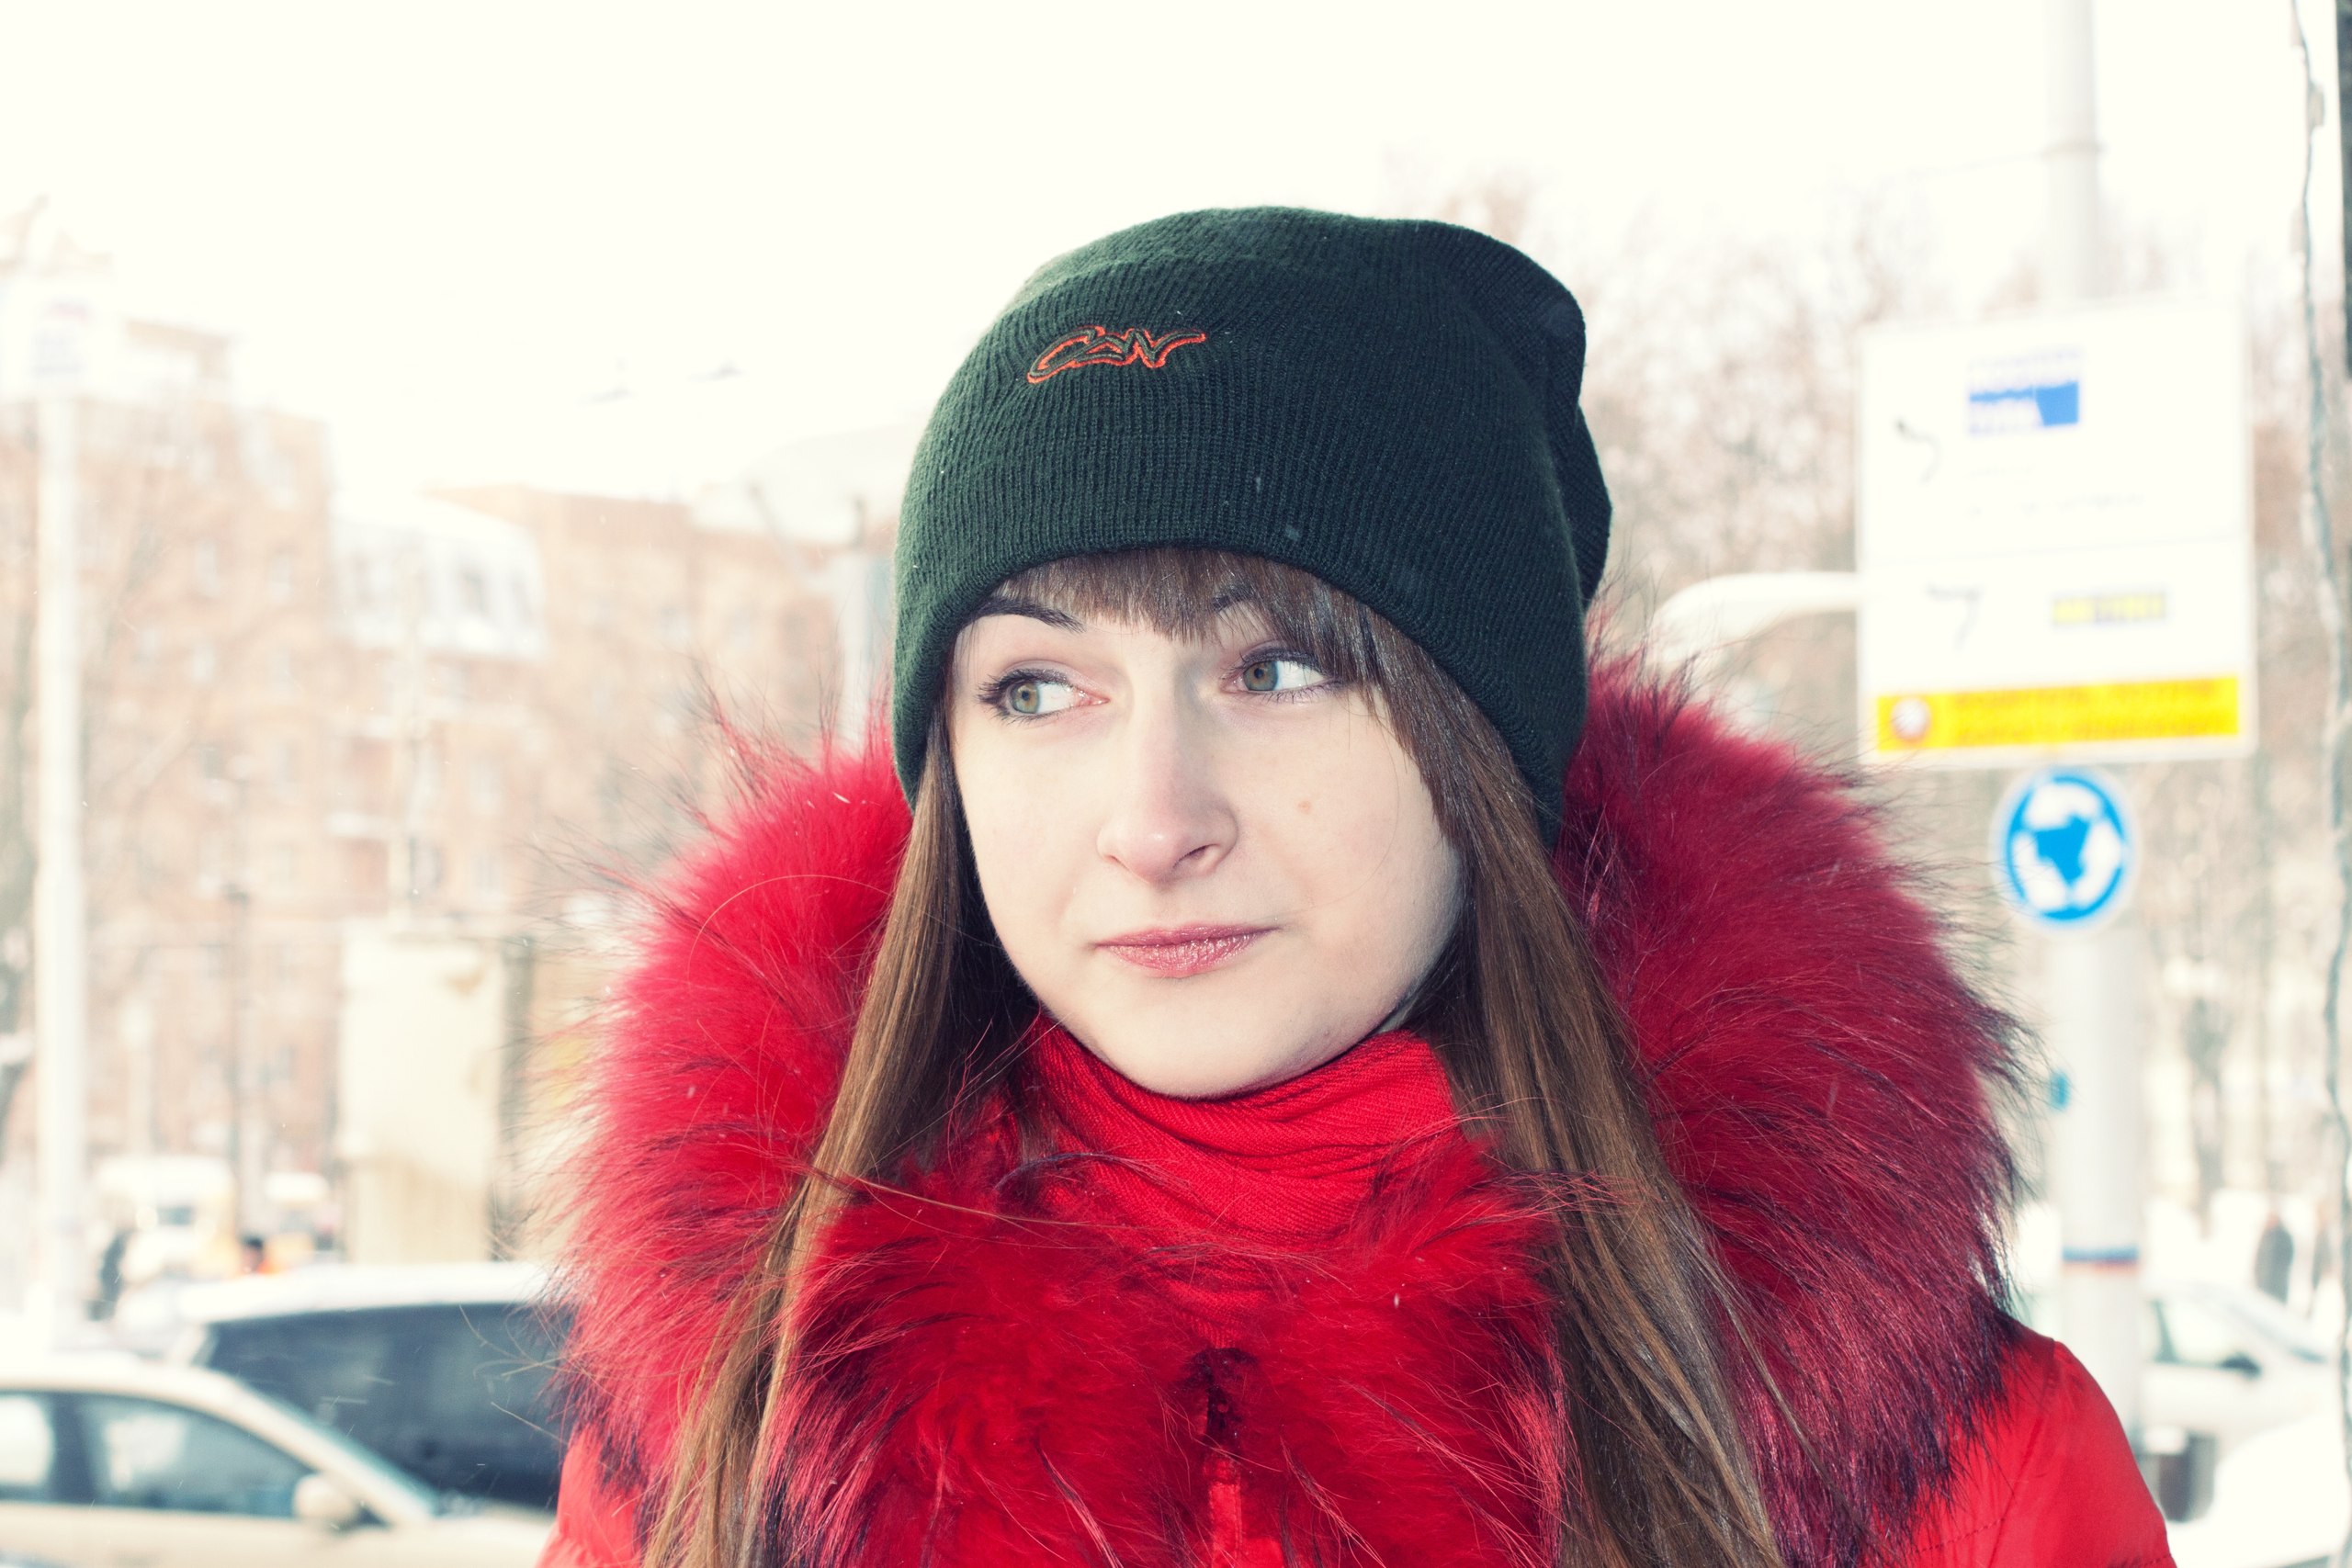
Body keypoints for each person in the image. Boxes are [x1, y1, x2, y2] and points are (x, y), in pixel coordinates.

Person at [541, 210, 2169, 1568]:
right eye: (1037, 690)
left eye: (1276, 669)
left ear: (1485, 745)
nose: (1153, 823)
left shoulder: (1958, 1474)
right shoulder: (727, 1435)